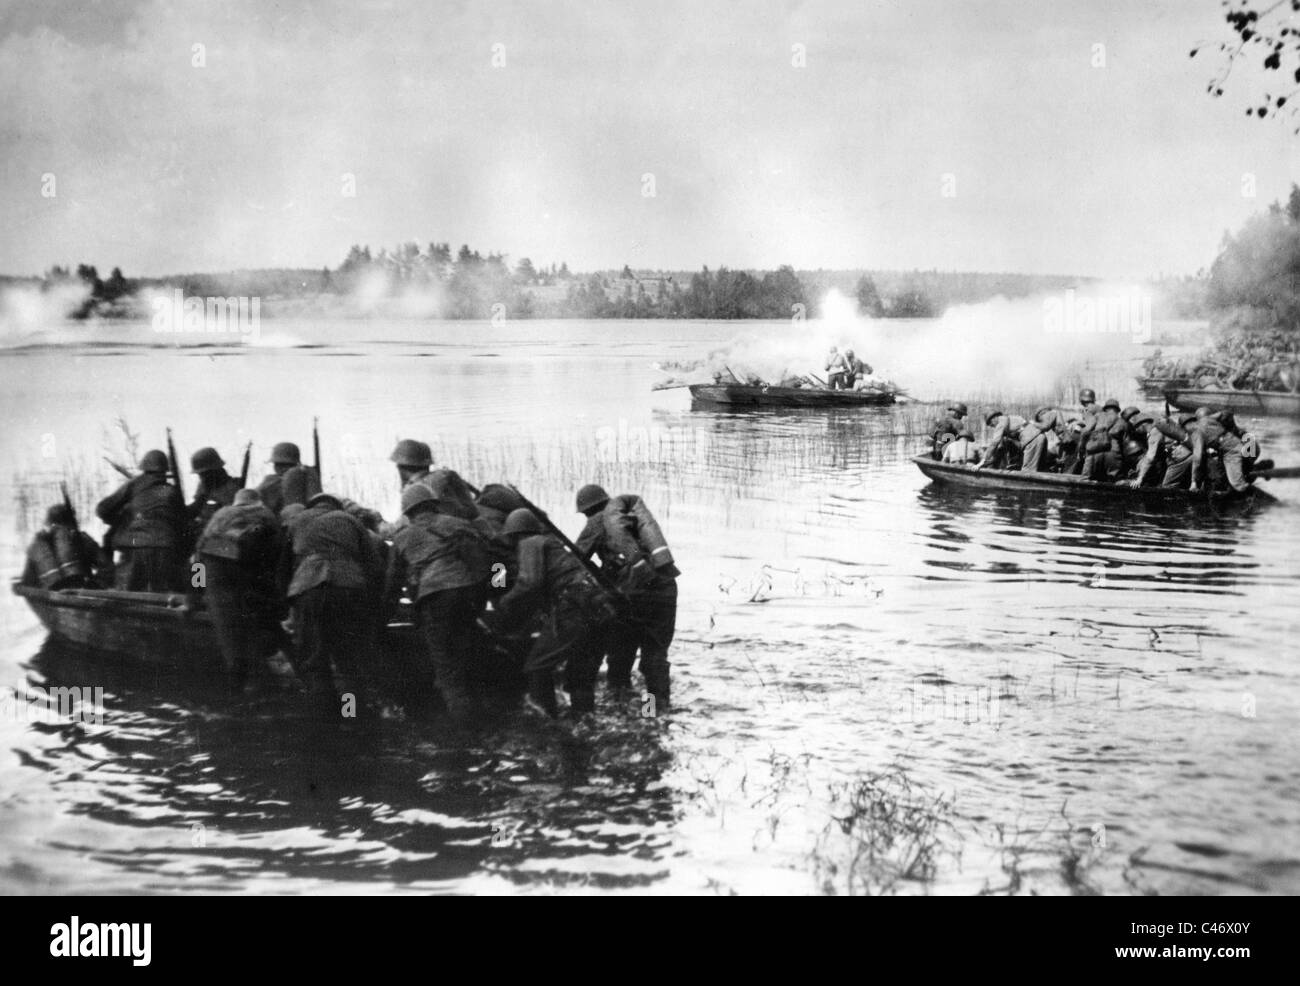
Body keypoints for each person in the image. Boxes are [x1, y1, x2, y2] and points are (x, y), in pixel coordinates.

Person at [387, 483, 493, 722]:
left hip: (434, 598)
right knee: (465, 652)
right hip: (466, 594)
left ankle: (463, 729)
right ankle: (484, 714)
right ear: (433, 504)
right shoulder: (458, 524)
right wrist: (483, 598)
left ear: (409, 511)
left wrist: (382, 617)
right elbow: (487, 560)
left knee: (446, 669)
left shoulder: (402, 536)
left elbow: (392, 583)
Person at [496, 508, 612, 717]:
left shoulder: (529, 543)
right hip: (600, 608)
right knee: (579, 677)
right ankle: (584, 723)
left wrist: (506, 600)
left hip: (575, 607)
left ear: (516, 534)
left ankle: (548, 722)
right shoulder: (554, 546)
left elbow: (530, 583)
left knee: (536, 667)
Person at [574, 483, 678, 709]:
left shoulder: (596, 521)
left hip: (634, 595)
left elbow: (576, 559)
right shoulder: (634, 518)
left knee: (620, 657)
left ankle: (619, 706)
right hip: (665, 589)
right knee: (654, 659)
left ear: (588, 510)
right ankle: (653, 711)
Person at [286, 491, 385, 715]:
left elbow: (283, 569)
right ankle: (350, 715)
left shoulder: (297, 521)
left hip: (308, 591)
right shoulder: (349, 520)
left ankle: (326, 722)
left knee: (314, 663)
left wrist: (289, 610)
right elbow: (375, 566)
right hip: (348, 590)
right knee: (349, 663)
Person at [196, 488, 286, 691]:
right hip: (249, 576)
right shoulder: (267, 515)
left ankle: (239, 693)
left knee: (231, 639)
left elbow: (198, 557)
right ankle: (259, 687)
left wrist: (194, 596)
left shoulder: (220, 515)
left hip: (217, 575)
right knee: (254, 630)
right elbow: (277, 557)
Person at [95, 450, 188, 591]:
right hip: (166, 548)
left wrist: (121, 521)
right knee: (163, 596)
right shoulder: (172, 491)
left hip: (135, 547)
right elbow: (182, 521)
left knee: (129, 596)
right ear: (165, 471)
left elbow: (103, 509)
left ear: (144, 468)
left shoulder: (135, 484)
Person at [23, 503, 102, 590]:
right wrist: (95, 586)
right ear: (71, 521)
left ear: (49, 521)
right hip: (84, 595)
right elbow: (107, 568)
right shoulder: (81, 539)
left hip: (52, 599)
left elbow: (29, 583)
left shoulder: (36, 545)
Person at [1190, 407, 1249, 494]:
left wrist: (1193, 482)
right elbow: (1226, 412)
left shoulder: (1197, 431)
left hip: (1232, 451)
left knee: (1237, 484)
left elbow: (1197, 458)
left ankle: (1253, 499)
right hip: (1233, 447)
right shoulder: (1210, 419)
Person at [188, 447, 243, 540]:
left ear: (214, 471)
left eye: (203, 474)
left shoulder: (232, 488)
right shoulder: (205, 485)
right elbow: (197, 507)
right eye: (200, 474)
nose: (201, 478)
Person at [976, 412, 1047, 472]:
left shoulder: (1001, 422)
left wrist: (983, 460)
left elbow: (994, 443)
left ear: (994, 418)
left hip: (1032, 440)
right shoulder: (1011, 419)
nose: (993, 427)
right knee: (1040, 469)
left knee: (1027, 471)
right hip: (1041, 436)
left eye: (991, 424)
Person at [1079, 399, 1125, 481]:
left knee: (1085, 481)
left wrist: (1081, 449)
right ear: (1117, 410)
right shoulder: (1122, 422)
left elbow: (1085, 432)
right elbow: (1125, 445)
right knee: (1115, 482)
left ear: (1105, 409)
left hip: (1094, 453)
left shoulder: (1097, 416)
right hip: (1113, 455)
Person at [257, 442, 303, 515]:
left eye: (284, 465)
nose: (279, 468)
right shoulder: (270, 481)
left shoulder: (270, 481)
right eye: (277, 464)